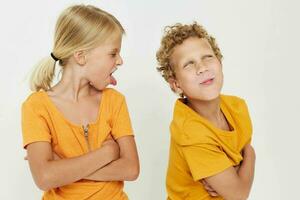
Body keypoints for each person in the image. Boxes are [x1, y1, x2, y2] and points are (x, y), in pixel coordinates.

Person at [21, 4, 139, 200]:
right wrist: (108, 153)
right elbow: (44, 177)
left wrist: (64, 168)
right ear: (81, 56)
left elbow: (131, 168)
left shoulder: (114, 101)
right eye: (113, 53)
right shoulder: (36, 107)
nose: (120, 61)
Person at [156, 22, 255, 200]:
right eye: (189, 64)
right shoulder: (190, 131)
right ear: (176, 84)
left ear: (220, 62)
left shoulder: (237, 107)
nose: (202, 68)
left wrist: (239, 171)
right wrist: (251, 156)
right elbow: (238, 194)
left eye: (208, 57)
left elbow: (239, 177)